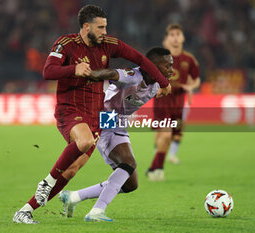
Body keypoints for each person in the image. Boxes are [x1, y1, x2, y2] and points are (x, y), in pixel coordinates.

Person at [13, 5, 171, 224]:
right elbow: (48, 71)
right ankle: (48, 182)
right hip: (71, 109)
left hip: (97, 116)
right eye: (101, 27)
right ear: (86, 27)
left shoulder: (108, 45)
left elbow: (141, 59)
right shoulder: (66, 44)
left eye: (106, 27)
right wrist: (73, 69)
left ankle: (25, 210)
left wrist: (163, 82)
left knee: (70, 171)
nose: (105, 32)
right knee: (90, 143)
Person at [58, 47, 173, 222]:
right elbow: (111, 74)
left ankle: (73, 197)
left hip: (120, 122)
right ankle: (96, 211)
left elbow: (163, 87)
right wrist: (88, 73)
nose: (172, 70)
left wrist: (166, 85)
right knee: (128, 163)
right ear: (153, 67)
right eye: (168, 66)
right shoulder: (132, 76)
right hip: (105, 117)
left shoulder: (158, 83)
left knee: (130, 184)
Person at [147, 24, 200, 181]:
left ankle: (154, 168)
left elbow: (196, 80)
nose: (176, 37)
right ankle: (157, 169)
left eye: (178, 34)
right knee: (166, 135)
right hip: (162, 102)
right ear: (166, 39)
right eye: (172, 34)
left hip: (179, 103)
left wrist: (190, 86)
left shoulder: (189, 59)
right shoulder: (159, 58)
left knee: (169, 138)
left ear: (183, 38)